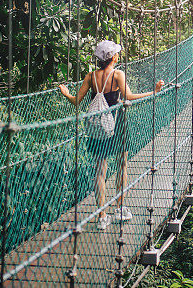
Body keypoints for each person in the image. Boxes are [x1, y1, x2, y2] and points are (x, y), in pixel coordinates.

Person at [59, 40, 164, 230]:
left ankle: (102, 216)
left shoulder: (90, 76)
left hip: (97, 126)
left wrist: (66, 93)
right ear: (113, 57)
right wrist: (154, 92)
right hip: (116, 122)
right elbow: (128, 97)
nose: (118, 55)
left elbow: (76, 101)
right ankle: (120, 208)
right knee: (122, 164)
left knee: (100, 170)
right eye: (116, 53)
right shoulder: (118, 74)